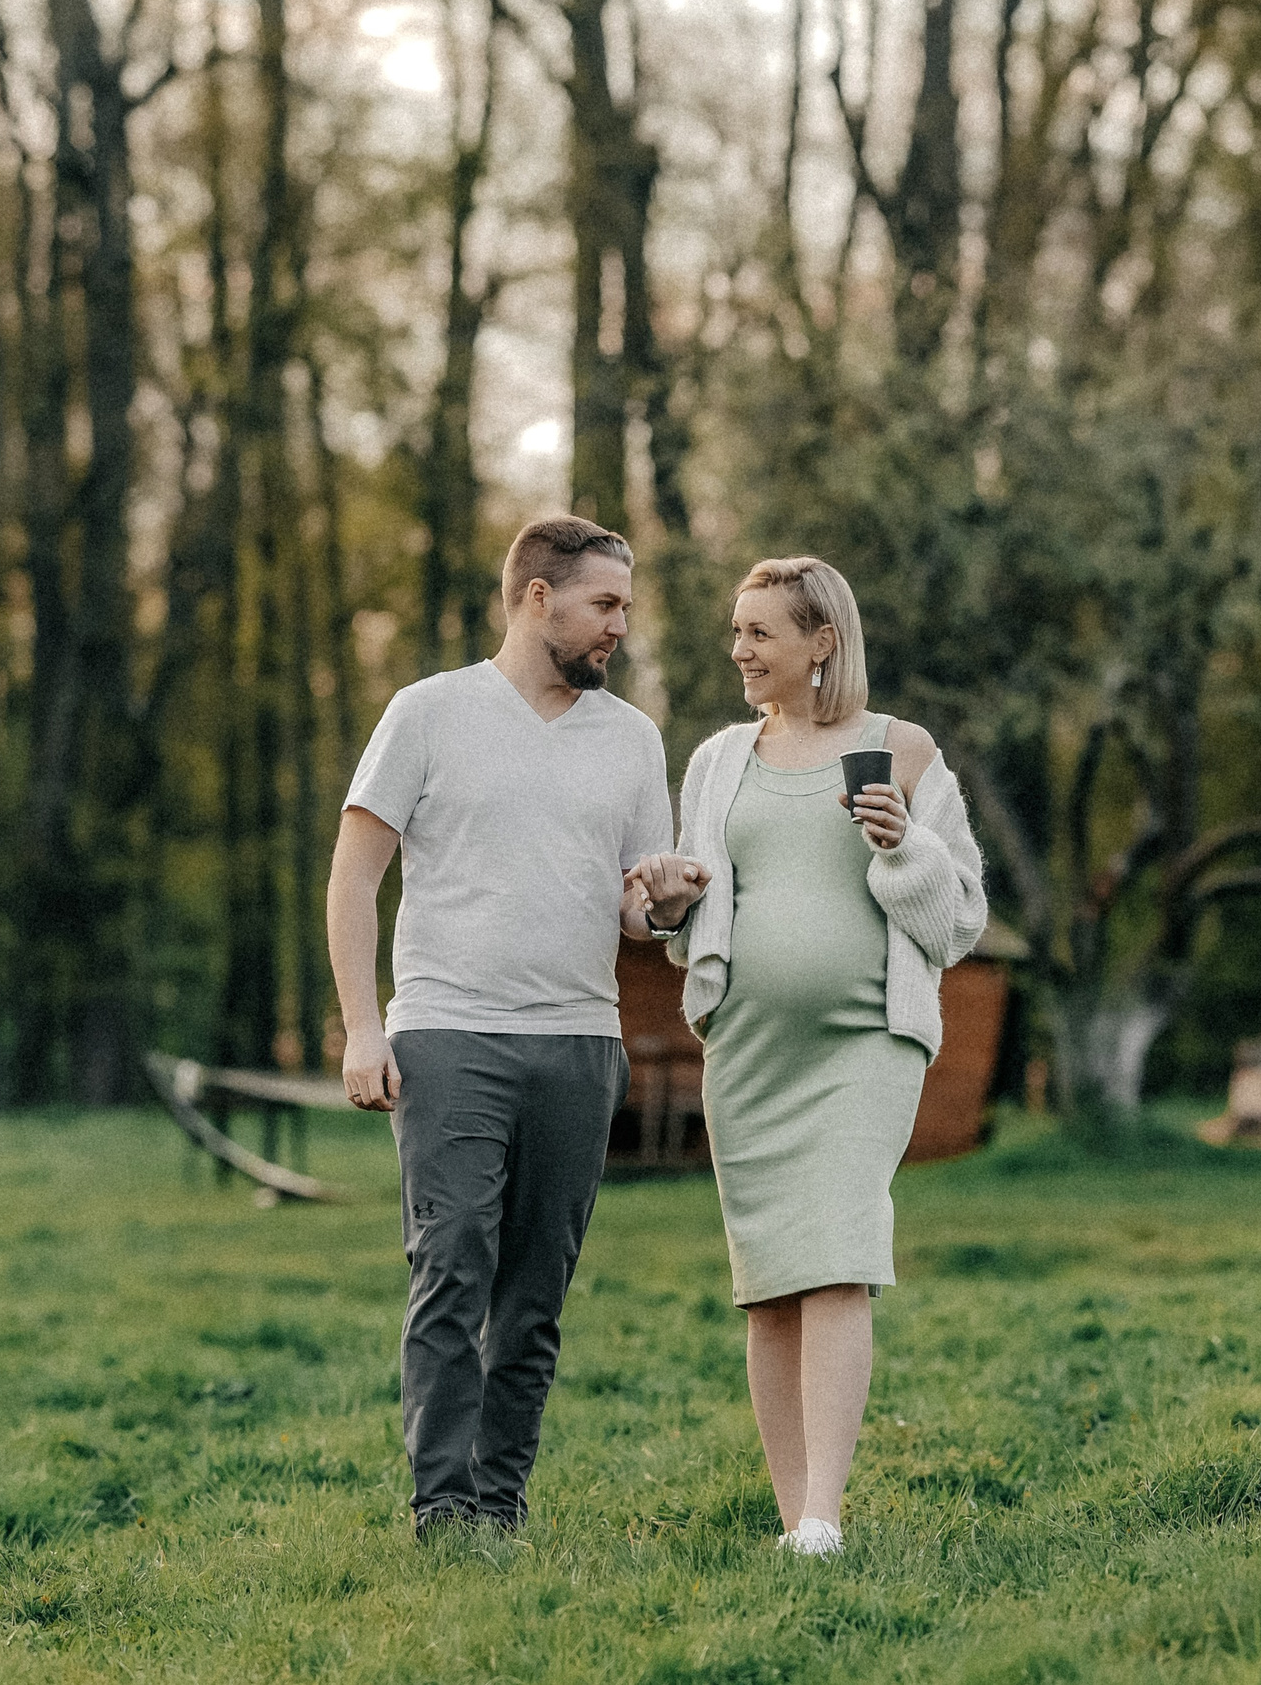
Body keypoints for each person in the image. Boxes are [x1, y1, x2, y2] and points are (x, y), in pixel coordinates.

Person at [326, 515, 691, 1542]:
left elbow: (635, 907)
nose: (620, 624)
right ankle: (443, 1504)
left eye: (624, 604)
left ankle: (502, 1498)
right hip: (450, 1033)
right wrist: (364, 1027)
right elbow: (355, 873)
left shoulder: (631, 736)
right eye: (604, 603)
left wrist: (664, 900)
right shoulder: (428, 712)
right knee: (452, 1269)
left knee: (535, 1294)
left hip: (581, 1042)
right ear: (539, 597)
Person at [635, 556, 986, 1558]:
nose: (738, 650)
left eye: (758, 633)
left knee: (835, 1255)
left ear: (820, 640)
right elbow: (688, 916)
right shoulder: (717, 761)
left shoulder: (901, 751)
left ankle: (826, 1513)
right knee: (771, 1279)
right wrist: (666, 902)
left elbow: (956, 918)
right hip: (747, 1049)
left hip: (863, 1044)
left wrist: (900, 844)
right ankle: (796, 1520)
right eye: (736, 632)